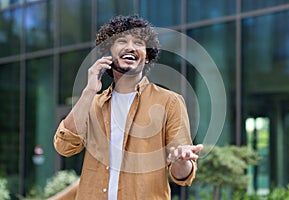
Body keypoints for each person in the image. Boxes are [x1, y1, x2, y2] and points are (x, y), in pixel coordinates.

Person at [54, 15, 203, 200]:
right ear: (108, 53)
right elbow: (65, 146)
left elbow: (182, 176)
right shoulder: (92, 103)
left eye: (139, 42)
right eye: (122, 41)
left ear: (147, 56)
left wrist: (181, 161)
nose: (131, 47)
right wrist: (89, 90)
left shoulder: (169, 102)